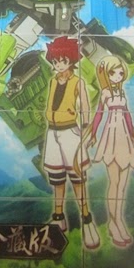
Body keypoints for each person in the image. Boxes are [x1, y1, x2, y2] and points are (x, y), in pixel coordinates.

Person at [43, 36, 100, 250]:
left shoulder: (78, 82)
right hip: (52, 133)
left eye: (63, 60)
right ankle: (58, 217)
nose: (59, 64)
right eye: (55, 61)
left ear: (71, 60)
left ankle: (87, 220)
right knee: (57, 178)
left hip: (70, 132)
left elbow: (85, 106)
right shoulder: (52, 81)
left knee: (77, 179)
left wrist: (86, 128)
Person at [88, 55, 134, 247]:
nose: (117, 75)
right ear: (106, 74)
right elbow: (98, 115)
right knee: (114, 183)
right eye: (113, 72)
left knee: (122, 185)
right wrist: (93, 134)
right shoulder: (105, 93)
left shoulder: (122, 93)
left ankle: (118, 221)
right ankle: (114, 223)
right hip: (111, 136)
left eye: (120, 72)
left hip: (124, 137)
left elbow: (128, 116)